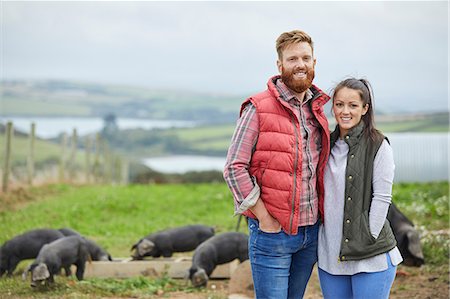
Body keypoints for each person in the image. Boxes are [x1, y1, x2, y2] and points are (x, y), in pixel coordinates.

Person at [223, 30, 330, 298]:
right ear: (280, 65)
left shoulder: (316, 109)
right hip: (273, 234)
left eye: (306, 58)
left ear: (314, 63)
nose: (300, 64)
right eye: (292, 59)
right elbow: (234, 167)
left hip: (310, 234)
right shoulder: (258, 108)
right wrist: (264, 217)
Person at [317, 78, 403, 299]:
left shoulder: (378, 144)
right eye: (339, 104)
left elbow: (383, 198)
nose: (345, 111)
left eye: (353, 105)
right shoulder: (326, 144)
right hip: (331, 257)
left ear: (365, 109)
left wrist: (369, 236)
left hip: (370, 256)